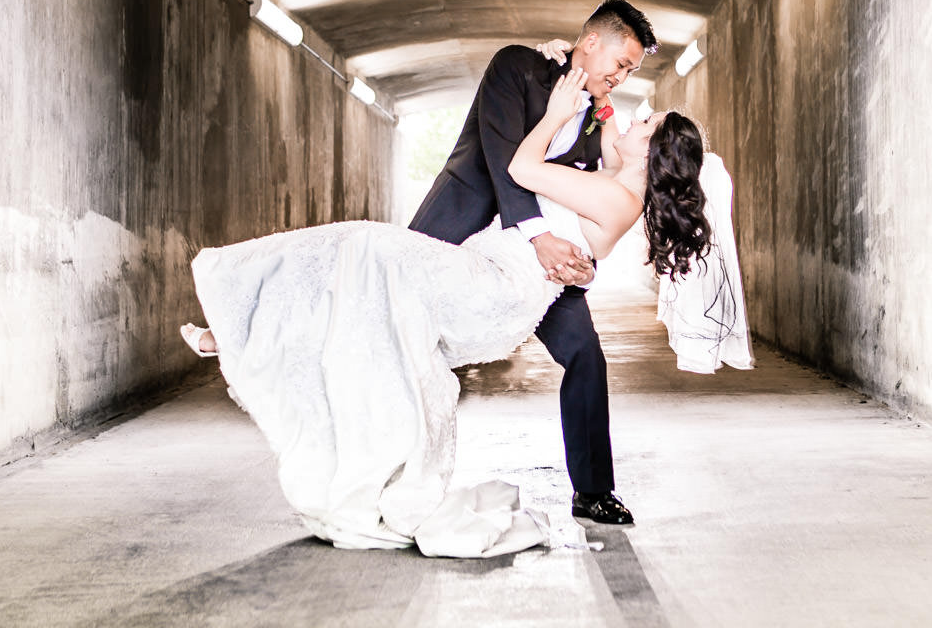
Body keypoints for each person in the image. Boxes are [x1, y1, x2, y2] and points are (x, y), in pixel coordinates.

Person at [182, 65, 713, 558]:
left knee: (366, 248)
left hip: (491, 291)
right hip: (484, 277)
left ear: (654, 154)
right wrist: (559, 64)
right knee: (356, 279)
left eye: (647, 124)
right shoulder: (613, 182)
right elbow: (580, 213)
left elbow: (523, 168)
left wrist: (554, 113)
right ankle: (235, 329)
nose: (635, 115)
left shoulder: (614, 195)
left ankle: (236, 307)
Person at [407, 0, 658, 526]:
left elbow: (597, 196)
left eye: (632, 70)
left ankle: (592, 491)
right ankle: (394, 469)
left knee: (586, 354)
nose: (623, 75)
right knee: (396, 320)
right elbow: (502, 160)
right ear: (591, 43)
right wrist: (539, 234)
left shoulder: (598, 112)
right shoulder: (516, 65)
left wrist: (584, 264)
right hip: (464, 224)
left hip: (539, 264)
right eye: (620, 63)